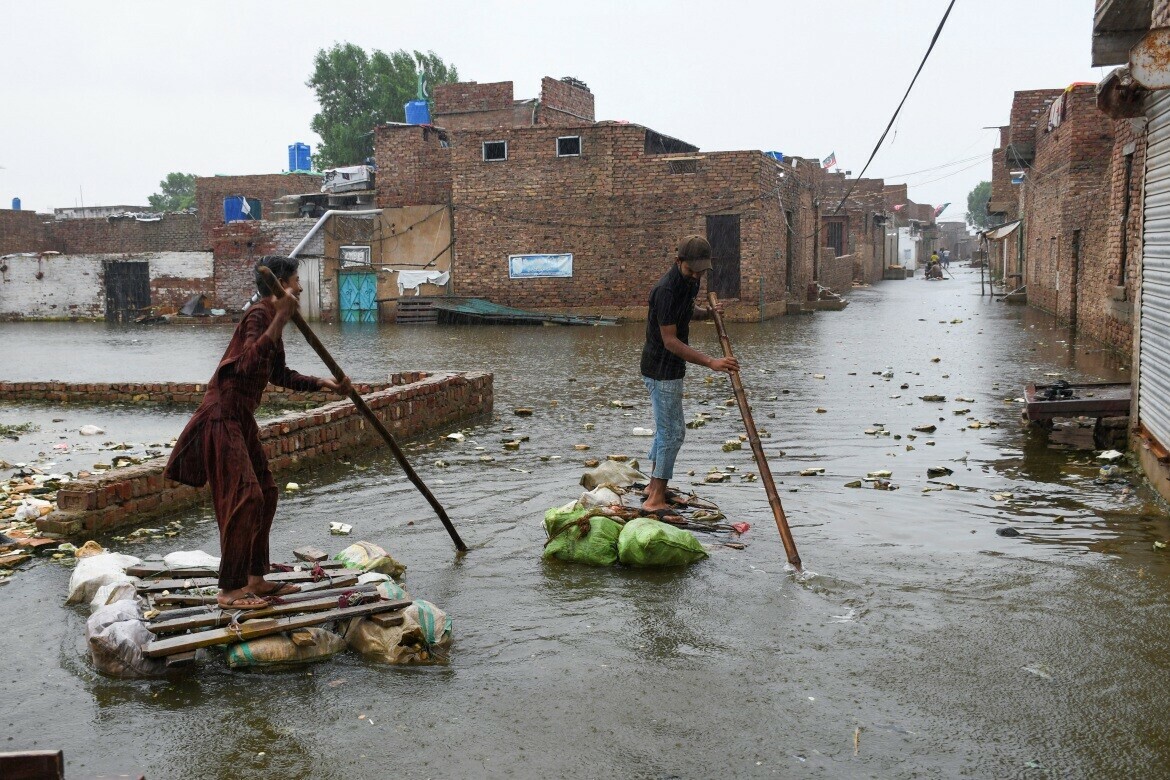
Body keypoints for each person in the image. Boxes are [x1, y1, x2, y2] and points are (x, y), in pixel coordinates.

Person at [164, 256, 351, 610]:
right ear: (281, 285)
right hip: (222, 416)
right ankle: (230, 590)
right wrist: (279, 318)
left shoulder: (272, 320)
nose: (299, 287)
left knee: (266, 491)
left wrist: (323, 384)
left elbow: (277, 373)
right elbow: (247, 362)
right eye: (296, 280)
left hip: (242, 417)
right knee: (245, 496)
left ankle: (255, 577)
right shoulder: (259, 315)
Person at [640, 235, 739, 514]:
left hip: (669, 368)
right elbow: (670, 340)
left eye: (700, 270)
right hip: (661, 370)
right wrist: (711, 362)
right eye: (691, 269)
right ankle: (655, 500)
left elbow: (685, 311)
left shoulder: (690, 281)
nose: (696, 275)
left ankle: (653, 486)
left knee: (664, 429)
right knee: (673, 433)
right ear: (678, 261)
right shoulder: (666, 290)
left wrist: (707, 312)